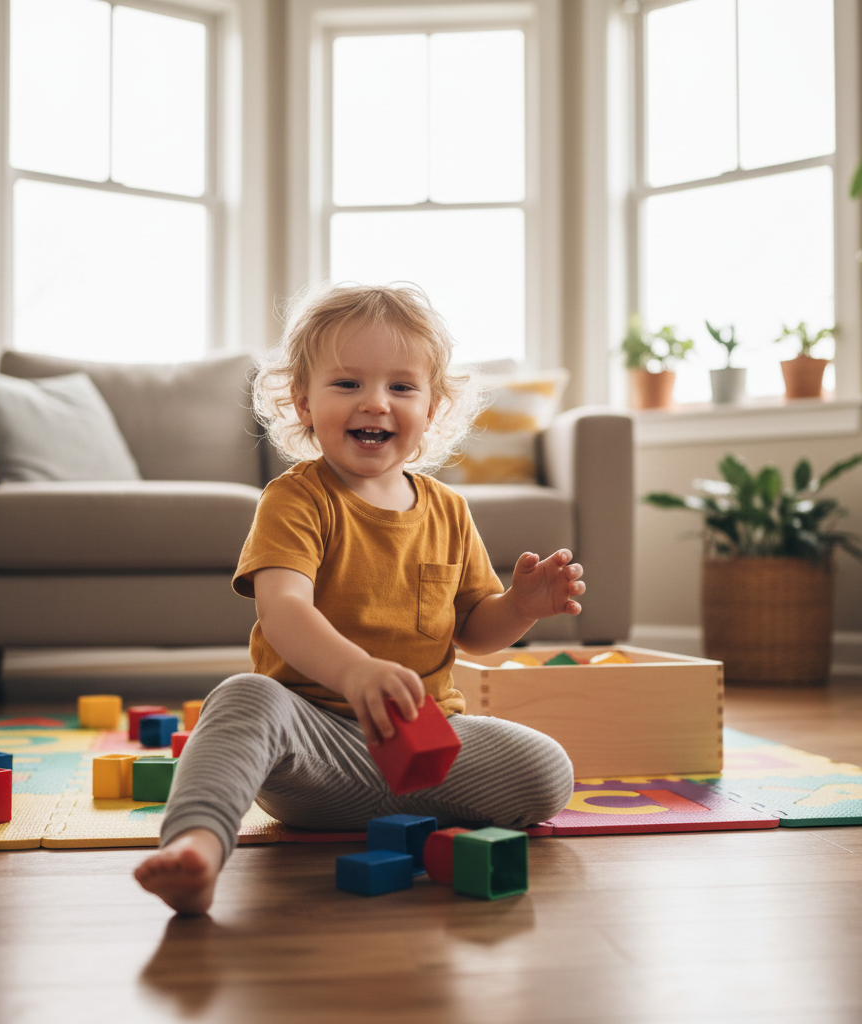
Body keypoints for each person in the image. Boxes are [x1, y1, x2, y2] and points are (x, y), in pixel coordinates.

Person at [135, 283, 583, 914]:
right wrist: (356, 672)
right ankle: (198, 850)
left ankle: (414, 811)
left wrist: (521, 607)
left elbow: (476, 631)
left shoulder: (450, 511)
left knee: (548, 768)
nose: (375, 402)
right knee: (243, 696)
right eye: (347, 384)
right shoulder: (295, 500)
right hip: (317, 751)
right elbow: (283, 610)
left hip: (430, 746)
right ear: (302, 403)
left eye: (401, 387)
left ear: (431, 409)